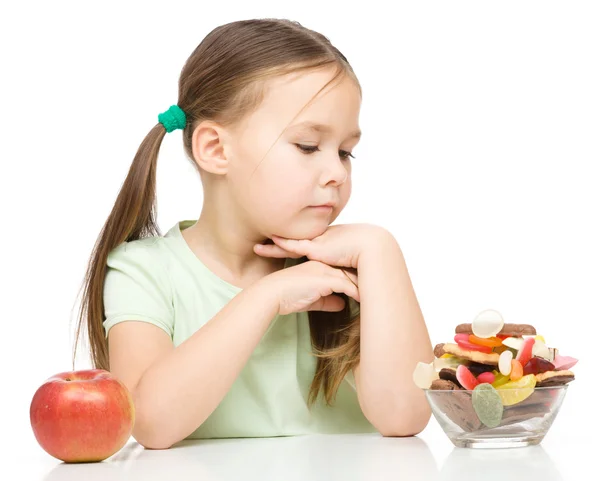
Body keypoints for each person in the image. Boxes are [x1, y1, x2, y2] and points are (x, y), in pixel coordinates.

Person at [72, 18, 433, 449]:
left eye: (345, 151)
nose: (337, 173)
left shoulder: (353, 267)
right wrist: (268, 296)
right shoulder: (144, 272)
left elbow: (405, 415)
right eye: (307, 146)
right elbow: (149, 422)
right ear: (215, 149)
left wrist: (381, 249)